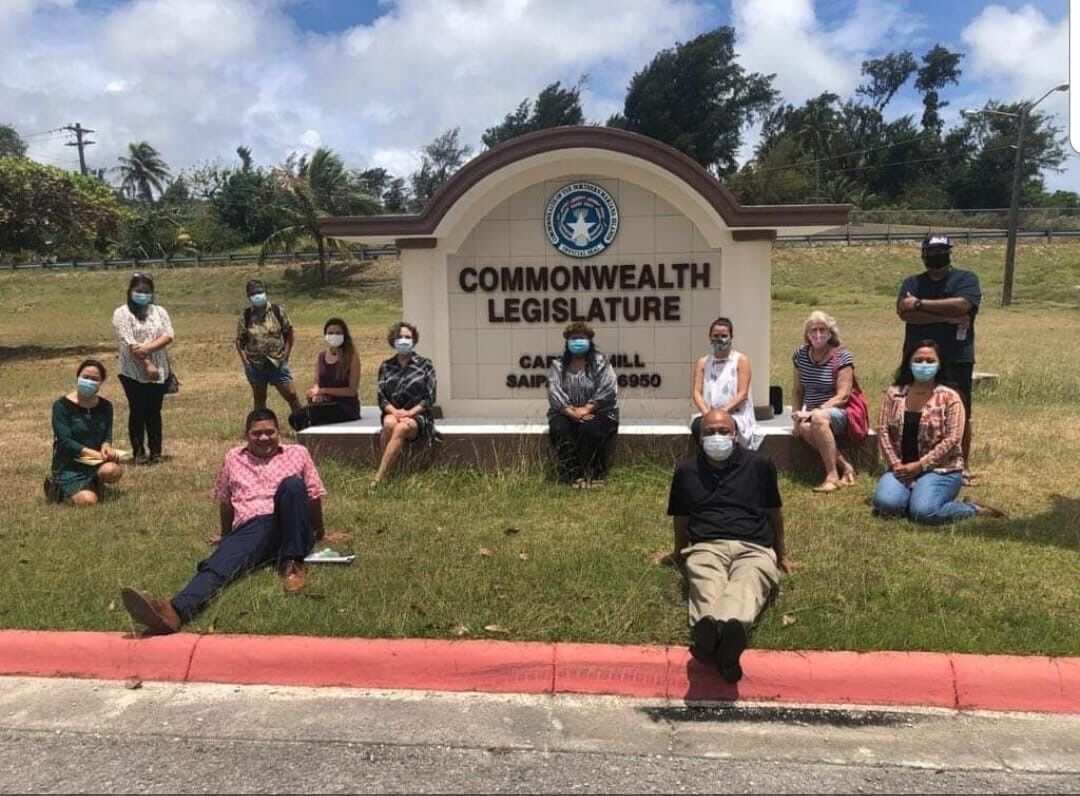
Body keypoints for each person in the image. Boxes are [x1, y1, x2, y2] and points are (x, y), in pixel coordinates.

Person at [120, 408, 328, 635]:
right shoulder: (233, 458)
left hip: (294, 525)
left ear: (279, 432)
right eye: (256, 433)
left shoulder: (297, 453)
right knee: (222, 561)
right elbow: (226, 502)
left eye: (270, 432)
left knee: (292, 485)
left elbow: (313, 495)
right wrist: (226, 536)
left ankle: (292, 565)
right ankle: (174, 611)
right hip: (254, 528)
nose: (264, 438)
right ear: (247, 435)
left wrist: (320, 532)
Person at [666, 408, 796, 684]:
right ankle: (725, 641)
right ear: (699, 438)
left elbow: (775, 512)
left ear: (735, 434)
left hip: (754, 546)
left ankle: (712, 639)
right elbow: (681, 517)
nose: (717, 436)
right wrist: (678, 552)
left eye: (723, 431)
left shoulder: (760, 465)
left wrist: (781, 554)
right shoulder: (686, 470)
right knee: (705, 579)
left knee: (748, 580)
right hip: (707, 545)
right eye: (710, 432)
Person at [872, 341, 1004, 523]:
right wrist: (895, 464)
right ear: (909, 363)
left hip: (941, 469)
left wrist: (920, 465)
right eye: (918, 360)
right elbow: (883, 430)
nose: (923, 365)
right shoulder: (894, 394)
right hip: (901, 468)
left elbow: (953, 440)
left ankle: (971, 508)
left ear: (939, 364)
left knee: (923, 512)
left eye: (929, 361)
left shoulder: (950, 397)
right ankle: (914, 495)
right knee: (885, 505)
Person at [896, 235, 982, 485]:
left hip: (956, 356)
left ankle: (961, 466)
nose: (935, 255)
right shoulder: (911, 282)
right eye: (931, 251)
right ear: (922, 254)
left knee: (960, 411)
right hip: (918, 359)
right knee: (912, 409)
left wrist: (920, 304)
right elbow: (906, 314)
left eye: (941, 250)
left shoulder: (966, 279)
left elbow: (962, 305)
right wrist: (945, 317)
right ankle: (912, 459)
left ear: (949, 252)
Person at [791, 310, 857, 493]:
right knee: (805, 427)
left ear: (830, 333)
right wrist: (797, 419)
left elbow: (843, 396)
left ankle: (832, 476)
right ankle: (846, 466)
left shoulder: (842, 356)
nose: (818, 334)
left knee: (819, 418)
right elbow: (797, 391)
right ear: (807, 334)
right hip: (812, 414)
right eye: (813, 330)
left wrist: (813, 412)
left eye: (822, 330)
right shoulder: (800, 355)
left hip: (838, 412)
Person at [547, 321, 620, 488]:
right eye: (574, 338)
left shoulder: (601, 362)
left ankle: (596, 474)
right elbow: (554, 391)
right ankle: (574, 474)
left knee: (591, 429)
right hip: (565, 411)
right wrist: (571, 412)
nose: (577, 341)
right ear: (567, 341)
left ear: (589, 340)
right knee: (559, 428)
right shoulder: (558, 365)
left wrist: (587, 408)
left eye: (581, 338)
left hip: (600, 411)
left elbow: (608, 388)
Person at [112, 273, 174, 464]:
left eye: (147, 292)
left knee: (154, 411)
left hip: (159, 370)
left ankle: (156, 452)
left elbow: (168, 334)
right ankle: (138, 452)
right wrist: (147, 363)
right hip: (132, 370)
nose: (143, 295)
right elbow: (129, 341)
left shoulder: (159, 311)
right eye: (139, 291)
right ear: (130, 292)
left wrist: (148, 349)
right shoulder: (122, 312)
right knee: (137, 410)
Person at [46, 359, 124, 506]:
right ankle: (56, 490)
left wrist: (106, 446)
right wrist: (96, 454)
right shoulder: (61, 406)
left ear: (101, 382)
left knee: (113, 470)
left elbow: (107, 435)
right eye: (86, 377)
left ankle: (94, 483)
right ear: (78, 376)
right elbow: (65, 441)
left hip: (94, 462)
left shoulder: (106, 406)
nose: (89, 381)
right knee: (88, 501)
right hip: (69, 464)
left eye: (95, 379)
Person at [372, 321, 437, 485]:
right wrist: (395, 412)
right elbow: (382, 398)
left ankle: (380, 478)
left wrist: (409, 413)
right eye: (399, 337)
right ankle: (391, 472)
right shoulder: (386, 366)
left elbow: (429, 398)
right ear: (393, 340)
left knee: (400, 428)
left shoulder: (425, 365)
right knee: (388, 423)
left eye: (407, 337)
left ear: (414, 340)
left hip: (419, 416)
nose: (403, 340)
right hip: (393, 413)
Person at [691, 316, 759, 449]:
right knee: (697, 426)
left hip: (736, 414)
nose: (719, 339)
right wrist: (707, 414)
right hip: (708, 413)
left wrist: (722, 413)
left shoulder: (741, 360)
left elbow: (743, 394)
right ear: (710, 338)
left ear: (731, 337)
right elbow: (696, 393)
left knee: (724, 429)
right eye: (715, 335)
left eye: (724, 335)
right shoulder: (703, 362)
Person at [235, 278, 302, 414]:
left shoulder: (277, 311)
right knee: (260, 399)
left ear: (265, 292)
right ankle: (261, 427)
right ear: (248, 297)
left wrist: (286, 355)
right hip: (255, 365)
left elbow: (289, 333)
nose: (257, 295)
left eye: (260, 292)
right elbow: (239, 341)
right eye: (253, 293)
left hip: (277, 362)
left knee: (291, 395)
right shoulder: (246, 315)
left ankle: (303, 425)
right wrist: (246, 362)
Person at [289, 317, 362, 431]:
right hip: (324, 403)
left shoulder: (352, 357)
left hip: (345, 406)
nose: (334, 336)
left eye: (338, 333)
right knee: (295, 416)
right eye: (330, 333)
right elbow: (317, 383)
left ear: (344, 335)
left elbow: (351, 390)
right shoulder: (321, 356)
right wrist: (315, 394)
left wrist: (324, 391)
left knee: (304, 417)